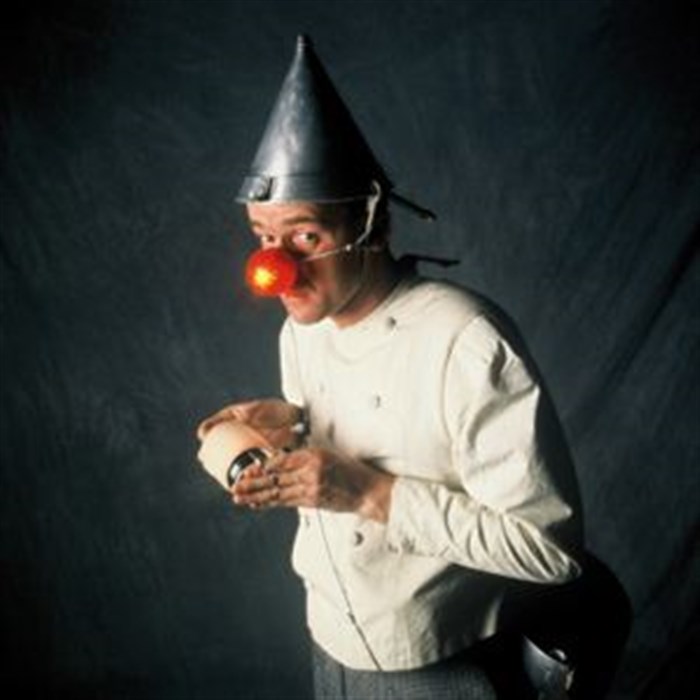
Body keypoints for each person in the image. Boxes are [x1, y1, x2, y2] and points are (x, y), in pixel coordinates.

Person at [197, 36, 584, 699]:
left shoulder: (466, 339)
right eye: (264, 238)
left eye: (305, 236)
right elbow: (364, 424)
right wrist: (293, 424)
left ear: (372, 227)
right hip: (328, 644)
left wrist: (371, 494)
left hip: (439, 666)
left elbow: (550, 550)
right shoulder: (300, 329)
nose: (276, 268)